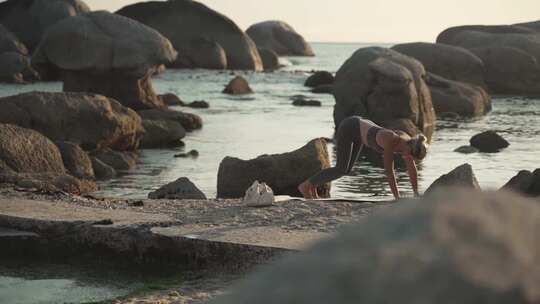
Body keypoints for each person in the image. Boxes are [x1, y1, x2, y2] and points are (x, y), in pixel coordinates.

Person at [298, 116, 428, 199]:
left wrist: (416, 193)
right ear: (411, 148)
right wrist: (397, 198)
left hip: (359, 134)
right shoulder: (392, 140)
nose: (409, 158)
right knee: (341, 168)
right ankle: (305, 186)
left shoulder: (408, 144)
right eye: (410, 155)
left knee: (346, 170)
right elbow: (389, 172)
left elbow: (412, 168)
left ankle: (313, 186)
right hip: (350, 127)